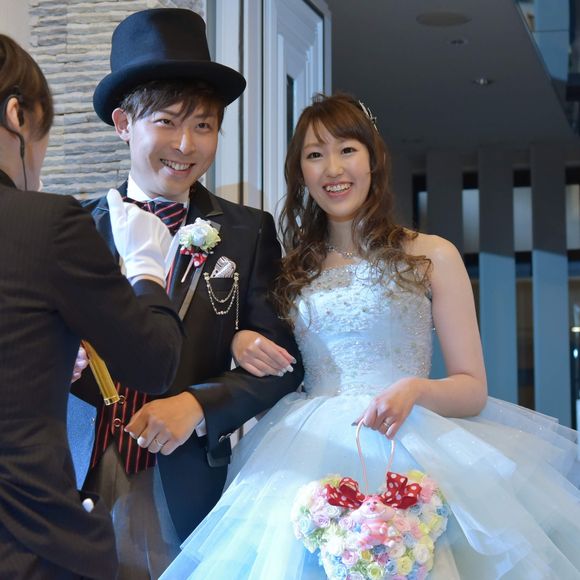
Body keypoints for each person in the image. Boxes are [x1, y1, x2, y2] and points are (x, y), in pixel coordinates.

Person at [161, 94, 580, 579]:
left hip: (415, 443)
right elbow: (269, 355)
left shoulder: (431, 256)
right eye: (315, 155)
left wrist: (415, 390)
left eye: (347, 150)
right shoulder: (291, 270)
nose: (333, 169)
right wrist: (239, 341)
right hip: (305, 449)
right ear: (301, 173)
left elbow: (472, 389)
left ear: (373, 159)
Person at [69, 8, 303, 579]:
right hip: (73, 470)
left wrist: (198, 405)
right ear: (124, 123)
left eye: (204, 125)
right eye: (167, 122)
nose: (185, 144)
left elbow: (284, 363)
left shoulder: (246, 231)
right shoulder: (70, 228)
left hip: (185, 482)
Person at [0, 34, 183, 580]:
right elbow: (153, 362)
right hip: (27, 540)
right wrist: (147, 269)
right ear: (17, 115)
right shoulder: (47, 224)